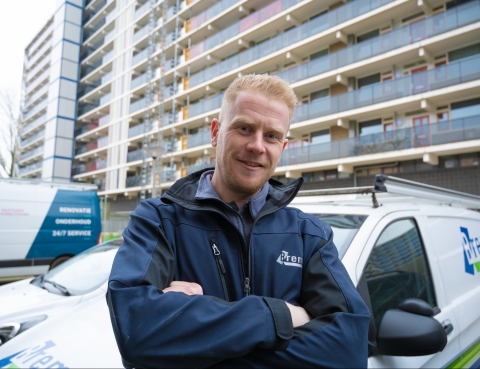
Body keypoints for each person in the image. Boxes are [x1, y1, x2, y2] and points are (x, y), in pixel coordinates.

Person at [107, 74, 371, 368]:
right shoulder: (160, 220)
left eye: (271, 136)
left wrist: (194, 340)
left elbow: (350, 348)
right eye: (244, 128)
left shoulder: (310, 235)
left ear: (282, 147)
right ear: (216, 133)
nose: (257, 146)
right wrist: (278, 315)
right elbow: (137, 332)